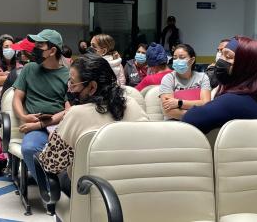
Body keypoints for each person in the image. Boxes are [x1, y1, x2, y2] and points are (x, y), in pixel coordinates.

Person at [38, 54, 148, 190]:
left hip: (91, 192)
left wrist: (54, 136)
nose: (69, 89)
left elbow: (51, 164)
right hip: (135, 189)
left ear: (92, 87)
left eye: (72, 83)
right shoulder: (132, 104)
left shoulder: (76, 114)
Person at [182, 37, 257, 134]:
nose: (220, 60)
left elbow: (190, 119)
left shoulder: (232, 101)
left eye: (228, 57)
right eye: (221, 54)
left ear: (245, 67)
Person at [13, 29, 70, 181]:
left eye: (39, 45)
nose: (34, 49)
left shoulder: (68, 75)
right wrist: (23, 116)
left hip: (59, 124)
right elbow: (17, 98)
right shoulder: (29, 69)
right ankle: (48, 186)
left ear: (52, 50)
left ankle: (63, 182)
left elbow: (68, 111)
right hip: (35, 124)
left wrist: (39, 124)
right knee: (29, 148)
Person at [160, 44, 211, 120]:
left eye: (181, 57)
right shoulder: (168, 78)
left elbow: (206, 104)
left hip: (198, 124)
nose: (177, 61)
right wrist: (197, 114)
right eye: (175, 58)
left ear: (192, 60)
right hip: (173, 124)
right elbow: (168, 110)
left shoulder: (202, 77)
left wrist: (179, 103)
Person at [0, 35, 22, 110]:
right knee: (0, 111)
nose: (9, 49)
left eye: (12, 47)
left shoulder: (18, 62)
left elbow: (23, 78)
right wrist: (13, 77)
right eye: (6, 47)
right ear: (0, 49)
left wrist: (3, 76)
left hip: (13, 94)